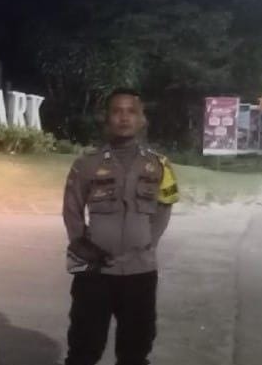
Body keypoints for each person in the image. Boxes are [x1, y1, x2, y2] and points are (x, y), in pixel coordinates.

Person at [62, 88, 180, 365]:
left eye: (131, 111)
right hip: (94, 272)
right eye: (116, 111)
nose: (124, 118)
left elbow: (164, 206)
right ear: (106, 119)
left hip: (140, 272)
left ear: (142, 119)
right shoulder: (86, 164)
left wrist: (148, 243)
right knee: (83, 349)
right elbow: (72, 208)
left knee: (135, 351)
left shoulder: (158, 165)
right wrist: (81, 244)